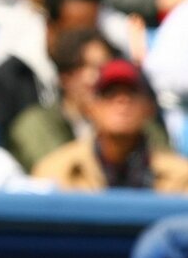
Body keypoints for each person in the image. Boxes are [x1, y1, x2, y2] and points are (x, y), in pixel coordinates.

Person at [32, 58, 188, 193]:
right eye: (110, 93)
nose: (121, 102)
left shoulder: (181, 175)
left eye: (132, 93)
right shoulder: (55, 171)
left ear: (149, 108)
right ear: (91, 108)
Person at [0, 0, 105, 138]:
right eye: (74, 30)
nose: (83, 39)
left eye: (90, 29)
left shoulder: (108, 69)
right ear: (49, 27)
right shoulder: (11, 77)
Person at [7, 28, 118, 172]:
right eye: (92, 68)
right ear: (65, 77)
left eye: (107, 69)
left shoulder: (128, 120)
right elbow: (57, 176)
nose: (101, 78)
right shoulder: (34, 124)